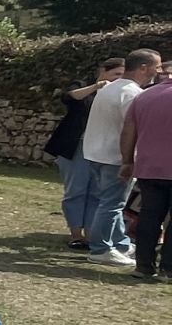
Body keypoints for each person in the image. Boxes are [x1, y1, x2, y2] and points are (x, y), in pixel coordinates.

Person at [82, 50, 163, 267]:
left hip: (95, 153)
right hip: (115, 157)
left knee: (109, 202)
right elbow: (133, 128)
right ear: (143, 68)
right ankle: (101, 249)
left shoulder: (110, 88)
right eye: (157, 66)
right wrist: (131, 159)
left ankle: (121, 243)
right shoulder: (132, 93)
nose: (160, 71)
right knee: (112, 204)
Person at [44, 59, 125, 250]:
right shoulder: (82, 85)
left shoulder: (120, 94)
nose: (119, 79)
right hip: (76, 147)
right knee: (76, 190)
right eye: (116, 74)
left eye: (122, 75)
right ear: (103, 71)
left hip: (101, 148)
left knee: (97, 192)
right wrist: (97, 87)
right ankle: (75, 234)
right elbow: (70, 97)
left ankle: (90, 235)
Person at [120, 67, 172, 283]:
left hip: (149, 166)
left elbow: (128, 131)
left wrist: (127, 161)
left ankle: (143, 265)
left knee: (149, 216)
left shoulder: (145, 95)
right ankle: (168, 269)